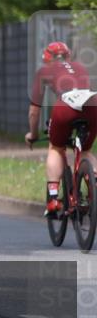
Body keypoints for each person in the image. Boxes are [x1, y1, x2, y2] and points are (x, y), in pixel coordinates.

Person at [24, 41, 97, 217]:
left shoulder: (44, 71)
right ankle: (94, 182)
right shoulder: (80, 67)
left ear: (46, 58)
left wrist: (32, 134)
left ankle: (54, 199)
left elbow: (34, 111)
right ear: (68, 55)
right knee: (86, 150)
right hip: (93, 104)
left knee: (56, 148)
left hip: (66, 106)